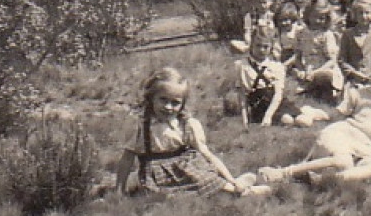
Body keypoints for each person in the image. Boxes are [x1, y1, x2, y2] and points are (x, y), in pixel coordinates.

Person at [259, 47, 371, 190]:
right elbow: (336, 119)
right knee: (343, 162)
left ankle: (323, 180)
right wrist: (317, 144)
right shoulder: (360, 94)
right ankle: (285, 172)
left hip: (370, 150)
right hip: (344, 136)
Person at [115, 67, 269, 197]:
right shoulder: (141, 126)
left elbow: (207, 154)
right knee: (159, 198)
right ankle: (236, 187)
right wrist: (119, 189)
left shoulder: (186, 124)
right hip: (156, 176)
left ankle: (239, 189)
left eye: (175, 103)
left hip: (186, 168)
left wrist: (230, 178)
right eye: (163, 100)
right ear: (151, 98)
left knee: (205, 183)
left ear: (182, 104)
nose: (168, 107)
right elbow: (127, 159)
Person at [235, 30, 286, 127]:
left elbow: (278, 94)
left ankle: (313, 112)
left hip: (275, 103)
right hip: (258, 104)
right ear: (251, 46)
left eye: (265, 47)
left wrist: (268, 116)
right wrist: (245, 118)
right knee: (290, 120)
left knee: (298, 120)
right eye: (258, 46)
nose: (262, 50)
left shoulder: (277, 66)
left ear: (271, 47)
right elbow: (241, 93)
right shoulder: (241, 65)